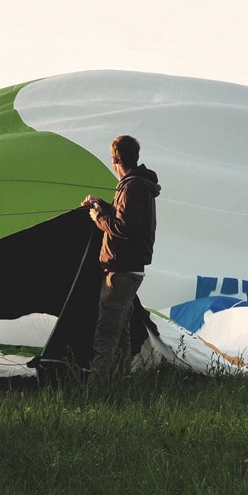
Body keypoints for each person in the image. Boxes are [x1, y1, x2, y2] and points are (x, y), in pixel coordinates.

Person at [82, 135, 161, 380]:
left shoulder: (133, 186)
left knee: (107, 330)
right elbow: (125, 215)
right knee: (122, 329)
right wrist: (101, 205)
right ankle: (120, 381)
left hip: (122, 271)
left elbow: (125, 226)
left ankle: (98, 385)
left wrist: (98, 219)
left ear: (115, 158)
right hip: (129, 269)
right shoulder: (136, 185)